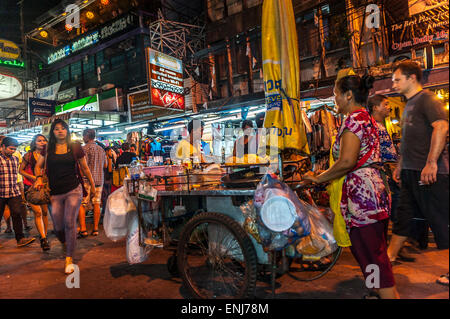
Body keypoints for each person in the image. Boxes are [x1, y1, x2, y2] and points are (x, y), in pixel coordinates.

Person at [304, 74, 399, 299]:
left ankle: (388, 295)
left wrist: (318, 178)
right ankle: (376, 291)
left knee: (374, 256)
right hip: (374, 194)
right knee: (369, 253)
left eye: (336, 94)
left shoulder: (354, 120)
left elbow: (347, 161)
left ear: (348, 95)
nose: (334, 98)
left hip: (364, 198)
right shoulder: (366, 118)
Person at [388, 61, 449, 286]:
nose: (393, 84)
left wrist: (432, 162)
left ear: (411, 78)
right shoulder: (408, 104)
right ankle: (388, 258)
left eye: (397, 79)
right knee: (403, 218)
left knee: (443, 223)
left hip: (430, 174)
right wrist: (400, 165)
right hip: (410, 173)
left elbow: (441, 127)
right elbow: (407, 141)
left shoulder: (428, 100)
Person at [34, 119, 96, 275]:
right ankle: (65, 242)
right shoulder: (48, 148)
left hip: (73, 188)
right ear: (53, 132)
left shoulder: (75, 147)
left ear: (67, 131)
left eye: (63, 128)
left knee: (69, 221)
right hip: (55, 191)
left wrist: (93, 186)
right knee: (58, 226)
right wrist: (39, 178)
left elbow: (85, 168)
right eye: (56, 129)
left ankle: (69, 257)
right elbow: (38, 166)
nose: (60, 131)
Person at [0, 137, 36, 248]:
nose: (13, 151)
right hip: (1, 193)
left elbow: (17, 176)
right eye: (10, 149)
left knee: (17, 214)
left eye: (14, 149)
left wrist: (20, 190)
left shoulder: (15, 159)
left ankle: (20, 239)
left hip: (13, 192)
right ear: (3, 147)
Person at [19, 134, 50, 251]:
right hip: (31, 187)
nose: (42, 142)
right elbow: (20, 170)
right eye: (39, 141)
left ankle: (45, 236)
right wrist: (34, 177)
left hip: (46, 187)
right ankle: (43, 238)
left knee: (45, 212)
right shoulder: (29, 155)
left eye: (44, 140)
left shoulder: (49, 155)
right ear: (34, 143)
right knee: (38, 212)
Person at [78, 129, 107, 238]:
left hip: (86, 180)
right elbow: (105, 165)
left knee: (82, 204)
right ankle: (95, 229)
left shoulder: (84, 149)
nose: (82, 138)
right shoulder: (101, 149)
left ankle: (83, 229)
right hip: (99, 180)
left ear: (86, 136)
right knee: (96, 203)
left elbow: (82, 167)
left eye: (83, 136)